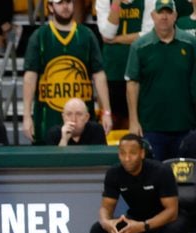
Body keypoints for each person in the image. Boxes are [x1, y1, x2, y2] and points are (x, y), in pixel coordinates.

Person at [22, 0, 112, 145]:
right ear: (50, 7)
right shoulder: (40, 36)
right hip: (48, 118)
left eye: (68, 2)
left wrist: (106, 112)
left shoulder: (87, 35)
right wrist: (26, 116)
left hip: (84, 124)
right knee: (48, 163)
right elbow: (30, 77)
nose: (65, 6)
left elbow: (99, 75)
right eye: (60, 3)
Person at [125, 0, 196, 161]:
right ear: (153, 15)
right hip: (151, 127)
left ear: (175, 16)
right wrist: (134, 121)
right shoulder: (139, 46)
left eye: (168, 12)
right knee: (154, 178)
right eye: (160, 12)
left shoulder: (191, 43)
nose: (164, 17)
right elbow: (132, 83)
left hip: (185, 126)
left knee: (187, 181)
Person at [96, 0, 150, 130]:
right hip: (112, 70)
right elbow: (107, 33)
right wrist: (116, 3)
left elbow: (148, 34)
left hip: (140, 71)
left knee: (136, 122)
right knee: (113, 123)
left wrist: (116, 39)